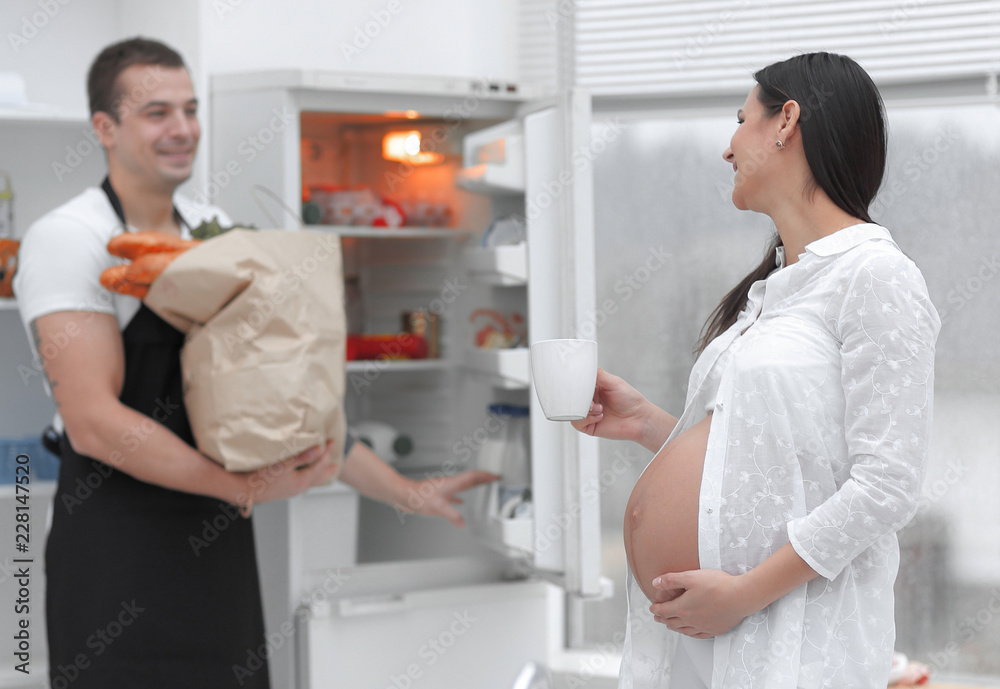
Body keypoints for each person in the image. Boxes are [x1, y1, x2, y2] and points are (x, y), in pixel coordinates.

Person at [13, 37, 495, 689]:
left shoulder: (217, 232)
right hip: (114, 544)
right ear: (105, 127)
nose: (183, 129)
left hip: (215, 549)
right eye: (157, 112)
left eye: (190, 108)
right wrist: (239, 488)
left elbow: (286, 402)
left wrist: (407, 491)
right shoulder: (67, 238)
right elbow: (95, 421)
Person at [573, 52, 939, 688]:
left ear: (785, 122)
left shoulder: (876, 277)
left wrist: (744, 593)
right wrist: (647, 424)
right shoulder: (778, 287)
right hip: (703, 633)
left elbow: (888, 485)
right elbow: (764, 458)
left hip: (791, 643)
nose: (727, 148)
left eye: (741, 120)